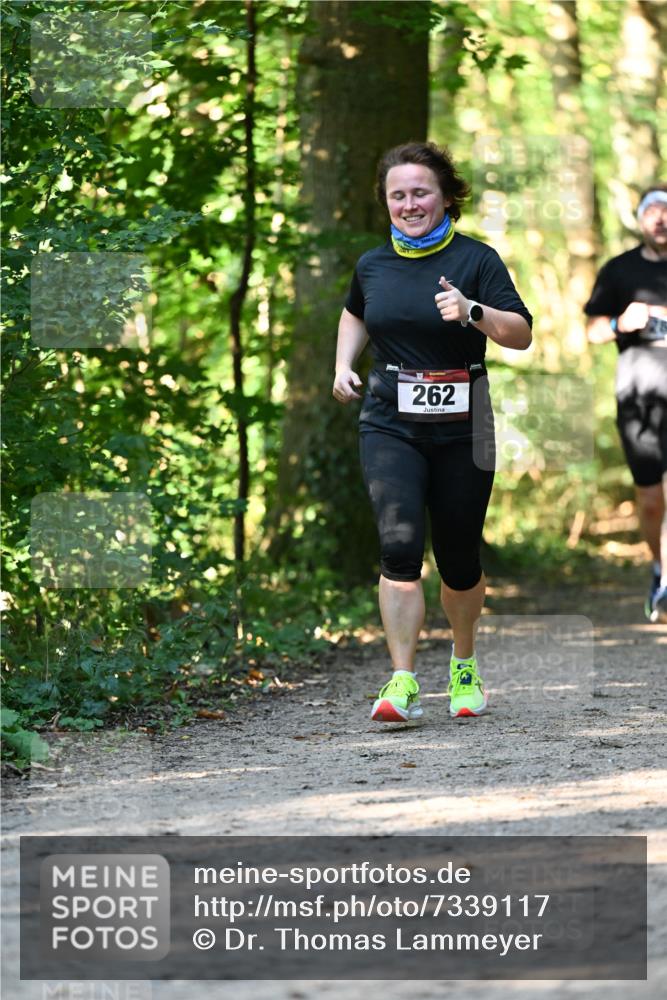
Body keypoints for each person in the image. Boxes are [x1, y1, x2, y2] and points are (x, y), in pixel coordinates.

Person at [332, 141, 533, 722]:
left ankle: (464, 665)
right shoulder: (372, 264)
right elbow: (355, 312)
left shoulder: (478, 260)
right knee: (398, 548)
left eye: (420, 192)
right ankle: (401, 681)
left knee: (459, 556)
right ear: (386, 203)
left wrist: (473, 312)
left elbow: (519, 333)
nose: (409, 203)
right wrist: (343, 364)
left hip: (465, 426)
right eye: (398, 195)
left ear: (445, 196)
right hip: (390, 422)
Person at [585, 184, 667, 623]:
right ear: (640, 219)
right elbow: (593, 331)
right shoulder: (619, 270)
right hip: (637, 399)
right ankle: (658, 565)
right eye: (653, 210)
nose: (661, 218)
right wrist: (620, 322)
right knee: (651, 499)